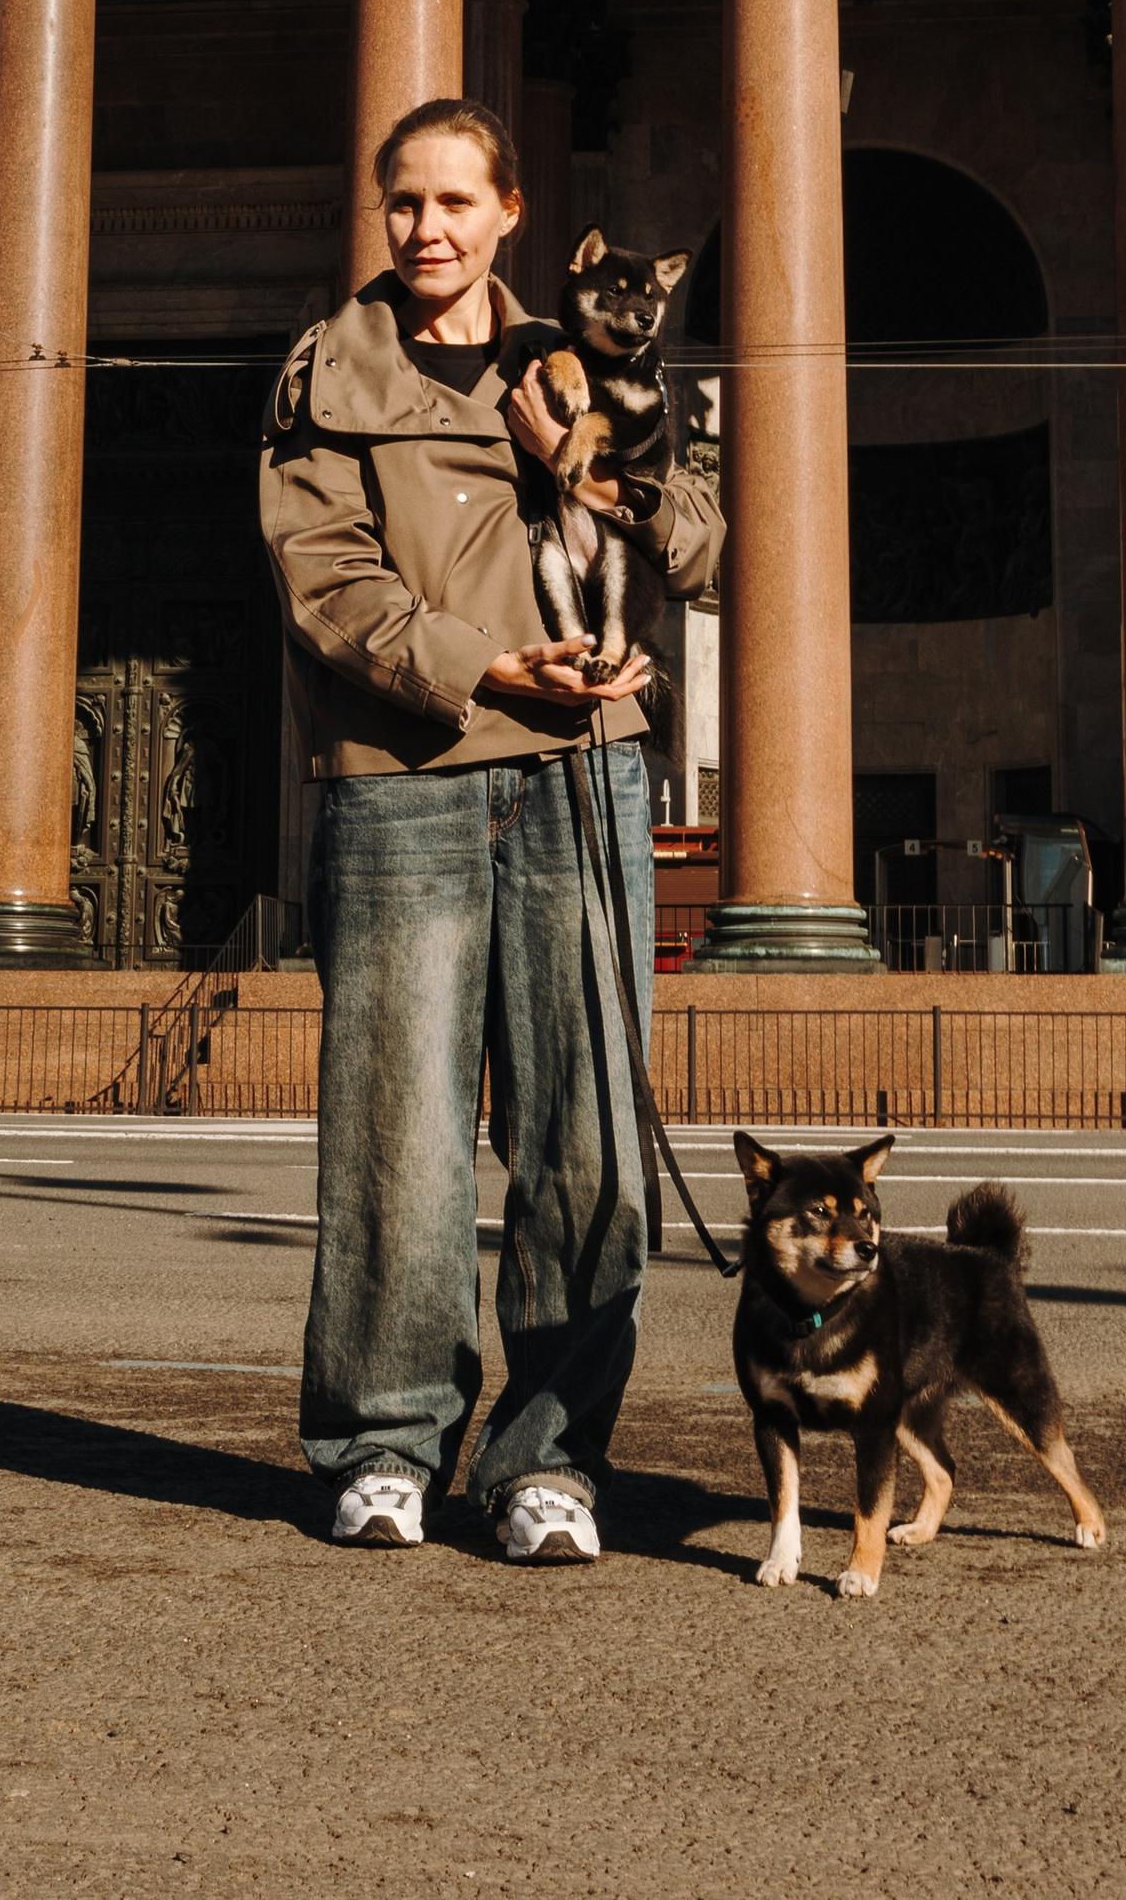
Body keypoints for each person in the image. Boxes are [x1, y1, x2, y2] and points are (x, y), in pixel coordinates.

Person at [260, 98, 722, 1563]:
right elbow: (325, 575)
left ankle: (552, 1461)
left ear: (510, 212)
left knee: (588, 1137)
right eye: (405, 202)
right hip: (405, 774)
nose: (428, 230)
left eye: (456, 202)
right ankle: (384, 1445)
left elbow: (700, 544)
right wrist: (481, 668)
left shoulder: (585, 357)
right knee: (396, 1136)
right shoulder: (329, 368)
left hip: (586, 774)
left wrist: (586, 464)